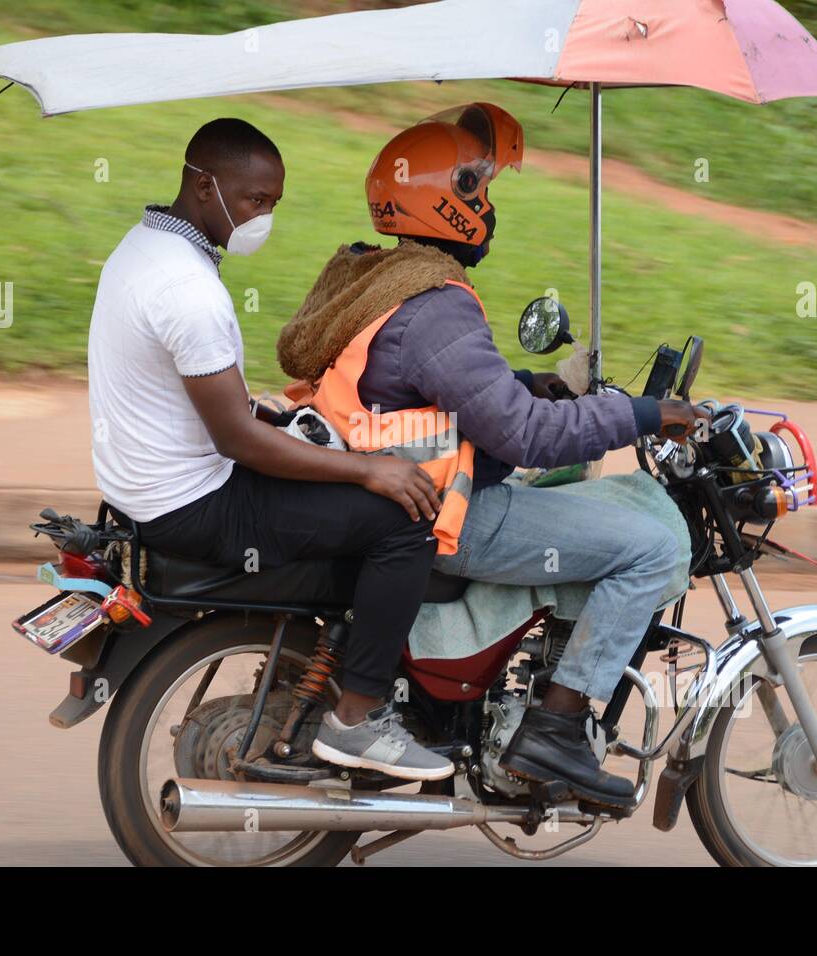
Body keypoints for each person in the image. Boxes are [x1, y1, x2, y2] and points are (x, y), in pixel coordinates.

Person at [277, 103, 706, 809]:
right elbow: (525, 438)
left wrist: (529, 386)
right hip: (448, 511)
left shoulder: (376, 277)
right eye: (484, 191)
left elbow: (432, 395)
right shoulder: (435, 302)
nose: (491, 208)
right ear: (453, 201)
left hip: (391, 492)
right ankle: (559, 732)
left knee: (595, 513)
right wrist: (640, 414)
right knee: (654, 548)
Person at [87, 118, 453, 782]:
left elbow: (204, 403)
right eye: (255, 201)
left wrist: (265, 410)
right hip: (195, 502)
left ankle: (323, 673)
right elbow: (238, 442)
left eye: (274, 203)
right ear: (204, 186)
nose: (264, 218)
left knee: (342, 497)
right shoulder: (188, 291)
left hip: (142, 487)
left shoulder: (141, 250)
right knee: (403, 524)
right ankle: (361, 721)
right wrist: (371, 469)